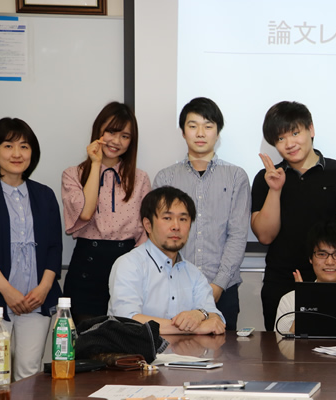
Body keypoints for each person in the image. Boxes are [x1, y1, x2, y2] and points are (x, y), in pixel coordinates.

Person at [251, 101, 336, 331]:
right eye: (280, 139)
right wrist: (275, 189)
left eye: (295, 133)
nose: (289, 143)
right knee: (280, 357)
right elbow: (265, 236)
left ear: (311, 129)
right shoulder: (266, 178)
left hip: (329, 280)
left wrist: (327, 275)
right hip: (280, 282)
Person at [0, 118, 62, 380]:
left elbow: (55, 247)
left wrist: (43, 289)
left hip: (36, 300)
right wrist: (8, 292)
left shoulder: (45, 194)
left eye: (24, 146)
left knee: (29, 373)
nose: (17, 154)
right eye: (8, 146)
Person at [153, 97, 250, 330]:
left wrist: (217, 286)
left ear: (218, 133)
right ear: (183, 132)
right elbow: (158, 236)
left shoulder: (236, 176)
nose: (200, 133)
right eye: (192, 125)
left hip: (223, 290)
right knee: (173, 358)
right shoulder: (166, 178)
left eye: (208, 126)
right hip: (173, 287)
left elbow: (237, 235)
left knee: (225, 360)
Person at [61, 102, 151, 326]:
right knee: (89, 349)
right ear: (98, 130)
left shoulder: (140, 179)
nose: (116, 141)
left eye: (125, 136)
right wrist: (96, 163)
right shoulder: (73, 174)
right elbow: (85, 212)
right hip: (86, 269)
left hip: (127, 268)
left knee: (124, 349)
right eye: (111, 131)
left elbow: (147, 231)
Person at [108, 186, 225, 335]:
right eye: (167, 218)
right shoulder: (129, 265)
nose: (176, 226)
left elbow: (216, 320)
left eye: (183, 219)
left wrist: (200, 314)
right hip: (137, 356)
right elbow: (127, 320)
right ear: (148, 225)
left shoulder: (193, 273)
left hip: (185, 356)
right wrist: (196, 328)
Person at [275, 220, 336, 333]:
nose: (330, 262)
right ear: (311, 259)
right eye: (322, 254)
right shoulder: (290, 300)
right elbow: (282, 347)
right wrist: (304, 303)